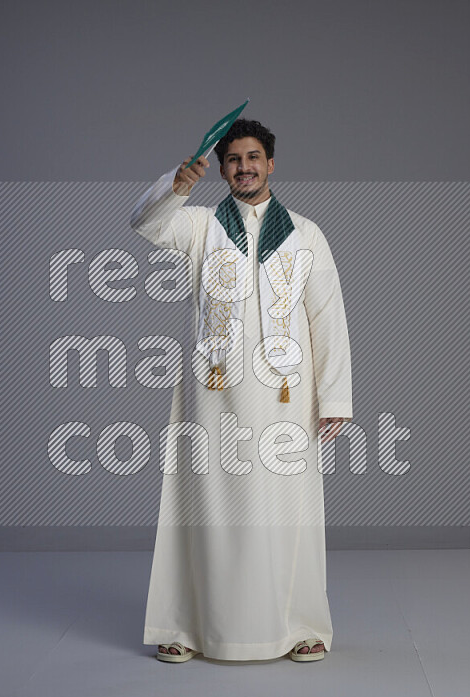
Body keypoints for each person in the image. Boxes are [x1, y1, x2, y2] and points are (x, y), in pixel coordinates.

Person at [129, 118, 353, 663]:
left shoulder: (306, 233)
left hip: (285, 395)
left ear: (271, 164)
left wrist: (336, 397)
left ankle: (299, 624)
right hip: (214, 391)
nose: (244, 167)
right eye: (234, 160)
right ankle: (187, 627)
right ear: (222, 169)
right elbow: (145, 224)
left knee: (288, 510)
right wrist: (176, 186)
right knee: (204, 506)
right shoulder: (202, 225)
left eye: (254, 158)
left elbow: (326, 316)